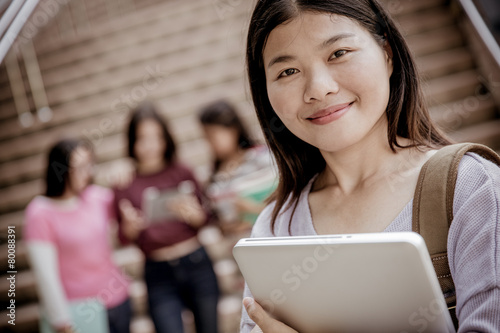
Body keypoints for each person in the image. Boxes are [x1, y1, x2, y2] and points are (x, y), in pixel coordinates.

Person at [239, 0, 500, 332]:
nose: (319, 89)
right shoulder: (275, 228)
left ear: (387, 53)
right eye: (287, 71)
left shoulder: (472, 188)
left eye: (338, 53)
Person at [113, 101, 219, 333]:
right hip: (157, 272)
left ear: (165, 138)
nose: (150, 145)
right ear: (132, 141)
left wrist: (195, 215)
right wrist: (131, 227)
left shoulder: (183, 171)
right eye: (143, 138)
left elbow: (207, 219)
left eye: (156, 137)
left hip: (197, 264)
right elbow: (123, 237)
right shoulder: (124, 183)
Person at [24, 139, 132, 333]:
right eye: (79, 167)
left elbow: (128, 207)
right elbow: (45, 275)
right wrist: (61, 319)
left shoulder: (96, 197)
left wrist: (126, 167)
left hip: (118, 302)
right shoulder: (40, 212)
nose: (88, 172)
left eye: (89, 165)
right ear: (60, 169)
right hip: (79, 312)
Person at [199, 99, 276, 233]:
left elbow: (286, 203)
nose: (210, 142)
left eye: (214, 134)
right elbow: (220, 223)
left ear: (233, 129)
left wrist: (253, 209)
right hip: (238, 246)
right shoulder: (215, 175)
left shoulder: (262, 158)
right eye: (206, 136)